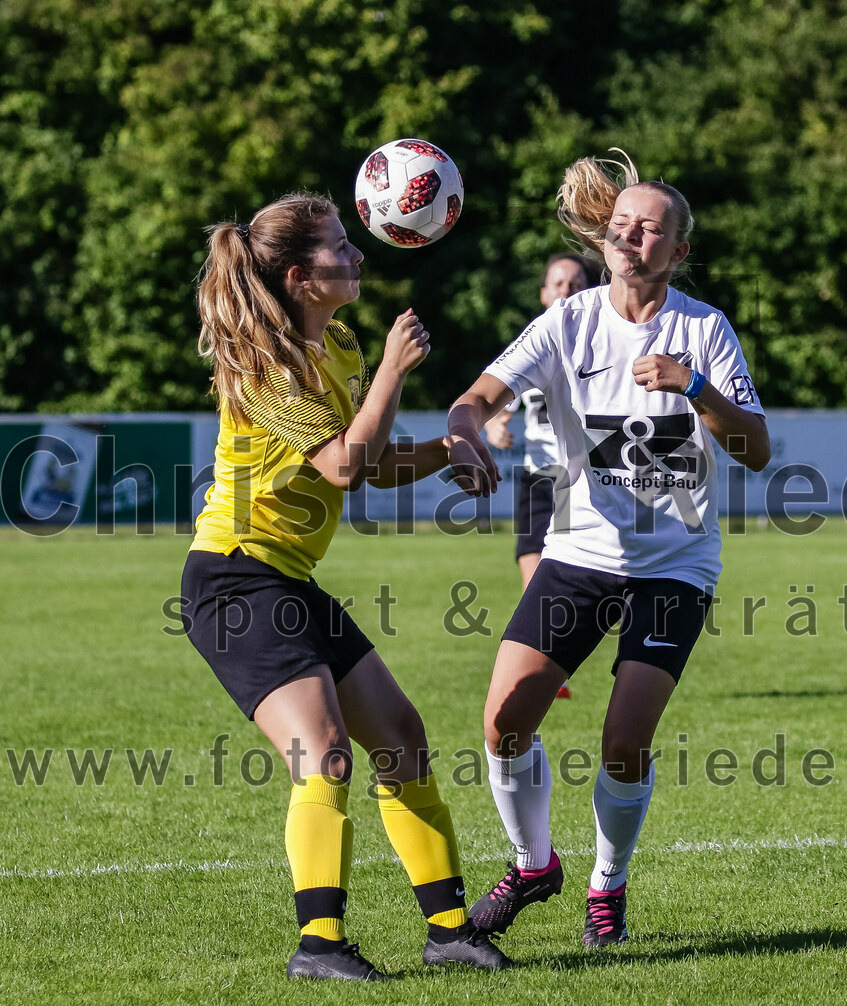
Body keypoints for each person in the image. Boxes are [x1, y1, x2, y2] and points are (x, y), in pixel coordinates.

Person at [181, 192, 511, 981]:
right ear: (299, 277)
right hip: (233, 583)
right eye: (337, 248)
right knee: (324, 755)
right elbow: (340, 464)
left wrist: (446, 450)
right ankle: (319, 947)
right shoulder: (260, 367)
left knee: (401, 736)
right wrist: (394, 373)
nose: (356, 254)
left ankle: (450, 932)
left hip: (287, 578)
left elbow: (369, 462)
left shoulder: (341, 344)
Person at [446, 152, 770, 947]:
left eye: (652, 228)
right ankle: (532, 865)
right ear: (606, 239)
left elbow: (757, 449)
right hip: (580, 554)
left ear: (677, 251)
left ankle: (607, 886)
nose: (633, 237)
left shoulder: (705, 329)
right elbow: (479, 395)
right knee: (503, 722)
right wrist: (461, 429)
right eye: (622, 224)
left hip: (674, 566)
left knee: (624, 741)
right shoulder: (569, 321)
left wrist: (694, 388)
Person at [483, 253, 601, 699]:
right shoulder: (533, 342)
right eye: (557, 284)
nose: (565, 292)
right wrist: (495, 426)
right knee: (532, 563)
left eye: (574, 284)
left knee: (584, 571)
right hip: (538, 475)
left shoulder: (598, 341)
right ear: (542, 293)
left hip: (584, 478)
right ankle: (551, 665)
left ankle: (559, 656)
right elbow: (498, 402)